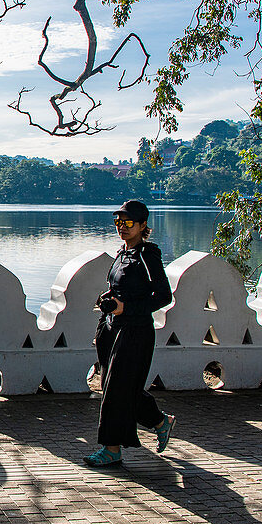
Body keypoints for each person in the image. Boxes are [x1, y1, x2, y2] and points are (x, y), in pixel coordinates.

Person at [83, 199, 176, 467]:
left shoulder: (148, 254)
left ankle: (111, 449)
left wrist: (127, 308)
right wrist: (110, 300)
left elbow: (163, 296)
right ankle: (160, 421)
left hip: (135, 331)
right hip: (111, 327)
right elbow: (124, 287)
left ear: (143, 225)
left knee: (114, 391)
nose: (122, 227)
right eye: (118, 222)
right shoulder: (122, 253)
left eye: (128, 223)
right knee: (123, 388)